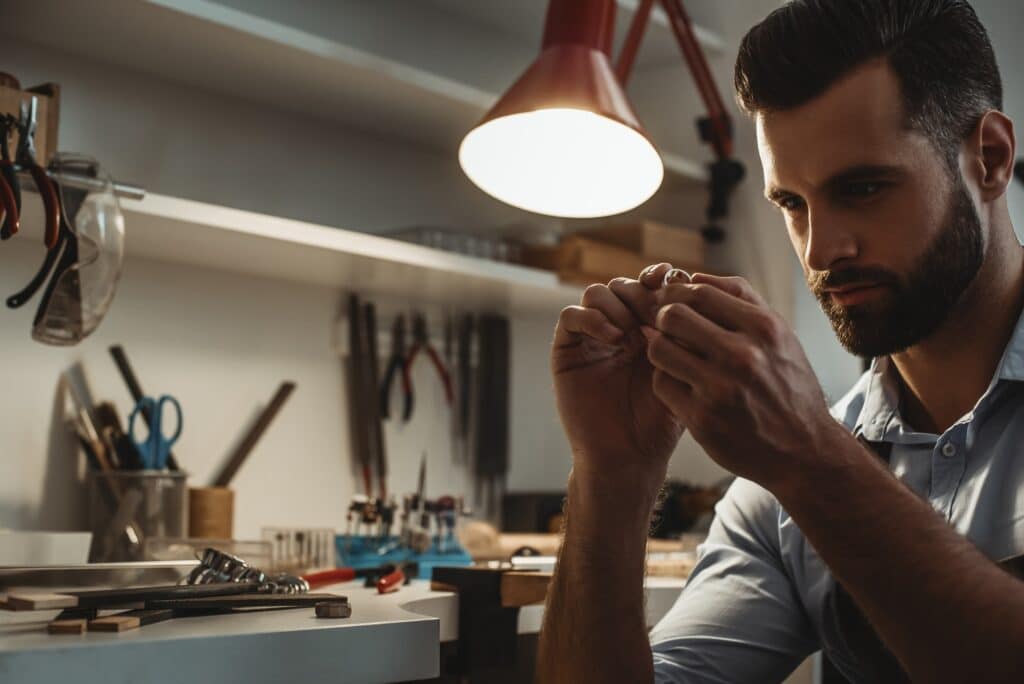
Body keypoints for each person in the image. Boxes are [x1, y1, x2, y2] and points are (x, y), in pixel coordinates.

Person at [536, 1, 1024, 682]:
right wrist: (610, 477)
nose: (822, 249)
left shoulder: (803, 458)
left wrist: (808, 456)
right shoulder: (782, 485)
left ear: (991, 159)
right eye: (792, 204)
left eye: (863, 187)